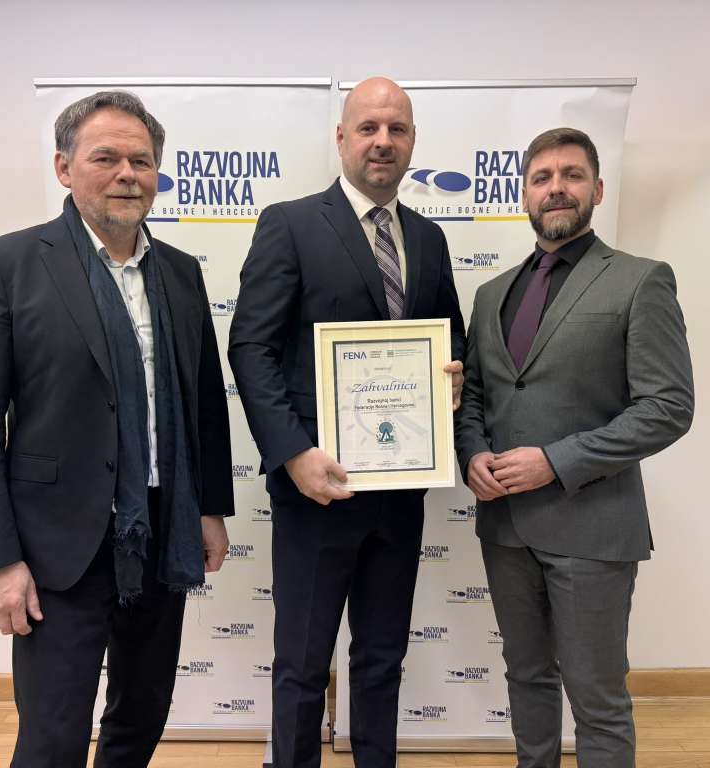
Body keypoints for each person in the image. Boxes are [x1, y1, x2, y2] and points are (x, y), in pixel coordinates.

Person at [0, 90, 234, 767]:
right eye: (105, 158)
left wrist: (209, 508)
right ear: (63, 167)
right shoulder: (6, 265)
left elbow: (202, 404)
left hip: (161, 530)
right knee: (53, 735)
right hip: (55, 544)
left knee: (143, 713)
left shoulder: (181, 274)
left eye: (142, 161)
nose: (127, 174)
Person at [228, 76, 465, 768]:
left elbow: (450, 334)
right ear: (341, 137)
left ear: (413, 141)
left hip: (401, 490)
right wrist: (293, 453)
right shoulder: (291, 223)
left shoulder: (429, 238)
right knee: (302, 664)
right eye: (368, 127)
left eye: (397, 129)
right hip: (316, 489)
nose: (382, 142)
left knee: (383, 657)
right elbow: (250, 346)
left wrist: (452, 374)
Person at [454, 127, 694, 767]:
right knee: (527, 678)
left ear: (597, 189)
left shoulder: (641, 281)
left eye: (571, 175)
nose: (556, 188)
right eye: (542, 178)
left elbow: (669, 407)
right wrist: (472, 453)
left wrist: (555, 462)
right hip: (505, 528)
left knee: (597, 700)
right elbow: (474, 395)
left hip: (593, 529)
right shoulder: (491, 293)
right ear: (524, 195)